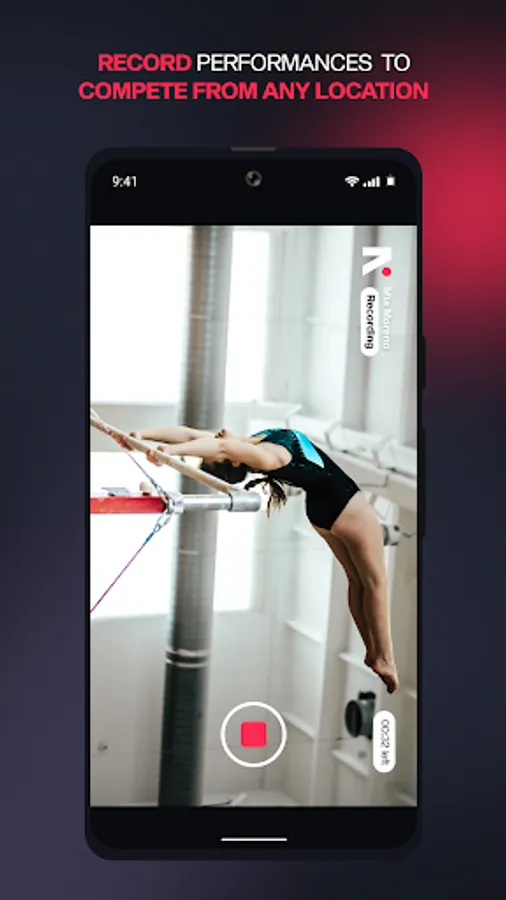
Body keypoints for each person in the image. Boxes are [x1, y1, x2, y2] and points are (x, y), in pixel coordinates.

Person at [123, 424, 399, 693]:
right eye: (216, 450)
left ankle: (373, 651)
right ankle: (384, 657)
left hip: (322, 510)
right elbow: (220, 445)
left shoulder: (251, 442)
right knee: (376, 582)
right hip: (344, 504)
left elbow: (189, 433)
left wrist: (142, 435)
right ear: (233, 460)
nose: (218, 434)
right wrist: (169, 454)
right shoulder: (267, 456)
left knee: (358, 581)